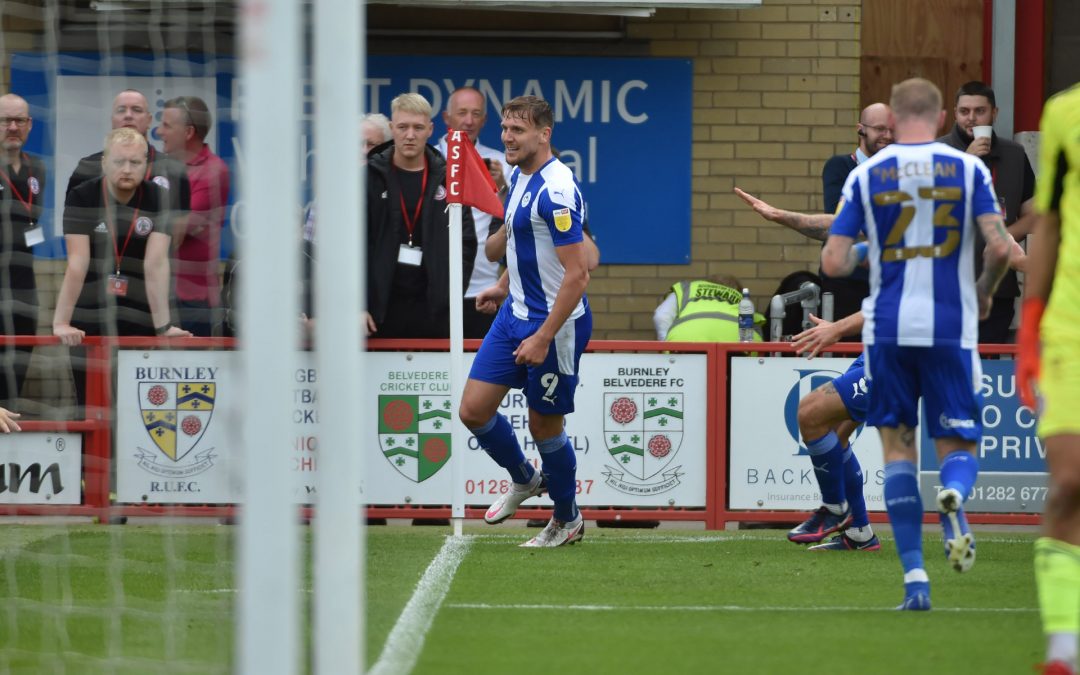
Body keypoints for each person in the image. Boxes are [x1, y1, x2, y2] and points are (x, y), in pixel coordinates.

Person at [822, 78, 1013, 610]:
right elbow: (1000, 248)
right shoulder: (969, 169)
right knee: (959, 447)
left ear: (892, 119)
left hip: (888, 331)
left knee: (898, 452)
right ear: (942, 118)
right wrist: (984, 292)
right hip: (950, 326)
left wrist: (869, 252)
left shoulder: (867, 174)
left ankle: (915, 582)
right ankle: (953, 497)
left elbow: (833, 261)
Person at [458, 95, 591, 547]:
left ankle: (567, 519)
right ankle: (524, 478)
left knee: (544, 427)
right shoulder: (518, 175)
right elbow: (524, 245)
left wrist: (543, 336)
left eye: (517, 130)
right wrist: (502, 284)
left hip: (555, 325)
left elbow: (578, 274)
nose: (507, 137)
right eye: (505, 128)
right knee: (473, 410)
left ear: (544, 134)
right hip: (513, 313)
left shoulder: (557, 191)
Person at [53, 128, 191, 409]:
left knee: (136, 407)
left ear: (146, 165)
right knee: (91, 407)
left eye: (135, 162)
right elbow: (78, 262)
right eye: (119, 162)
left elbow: (155, 263)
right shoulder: (82, 196)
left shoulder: (159, 198)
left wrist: (163, 326)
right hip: (90, 316)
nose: (127, 169)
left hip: (139, 316)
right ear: (104, 162)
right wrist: (61, 322)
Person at [1016, 83, 1080, 675]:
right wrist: (1030, 326)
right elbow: (1050, 222)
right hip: (1071, 329)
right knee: (1069, 482)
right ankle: (1063, 652)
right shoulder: (1064, 113)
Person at [365, 93, 476, 338]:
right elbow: (351, 245)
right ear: (392, 128)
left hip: (434, 312)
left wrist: (449, 296)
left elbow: (466, 243)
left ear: (430, 130)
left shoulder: (449, 179)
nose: (410, 135)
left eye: (418, 127)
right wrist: (358, 305)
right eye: (402, 127)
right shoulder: (369, 177)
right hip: (377, 313)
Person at [938, 81, 1037, 344]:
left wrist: (1004, 238)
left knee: (989, 362)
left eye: (979, 111)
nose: (971, 118)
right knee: (947, 361)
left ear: (994, 113)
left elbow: (1033, 216)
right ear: (955, 113)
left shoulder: (1015, 154)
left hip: (997, 288)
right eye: (964, 111)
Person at [436, 87, 511, 339]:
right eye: (462, 113)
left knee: (480, 361)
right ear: (446, 117)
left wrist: (501, 187)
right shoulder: (431, 158)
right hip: (437, 289)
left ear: (485, 120)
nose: (469, 121)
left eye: (476, 114)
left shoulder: (501, 162)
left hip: (484, 289)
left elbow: (511, 221)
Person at [158, 96, 230, 337]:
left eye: (167, 125)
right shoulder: (159, 166)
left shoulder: (214, 171)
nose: (159, 132)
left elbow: (175, 232)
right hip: (156, 294)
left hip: (193, 302)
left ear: (188, 132)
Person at [819, 103, 895, 326]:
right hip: (847, 281)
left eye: (891, 129)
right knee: (845, 345)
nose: (888, 136)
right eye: (880, 129)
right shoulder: (840, 167)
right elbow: (841, 223)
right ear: (861, 129)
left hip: (888, 281)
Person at [65, 89, 190, 216]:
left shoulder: (173, 169)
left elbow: (180, 222)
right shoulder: (88, 166)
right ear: (112, 120)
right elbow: (74, 219)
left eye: (137, 110)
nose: (128, 115)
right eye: (121, 110)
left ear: (149, 120)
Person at [0, 93, 44, 409]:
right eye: (5, 120)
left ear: (29, 125)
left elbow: (32, 222)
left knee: (17, 370)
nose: (13, 127)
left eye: (19, 120)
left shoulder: (37, 167)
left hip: (25, 287)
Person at [652, 275, 763, 342]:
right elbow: (756, 328)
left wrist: (666, 345)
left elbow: (661, 316)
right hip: (738, 344)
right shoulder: (743, 299)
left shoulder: (687, 288)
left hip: (686, 340)